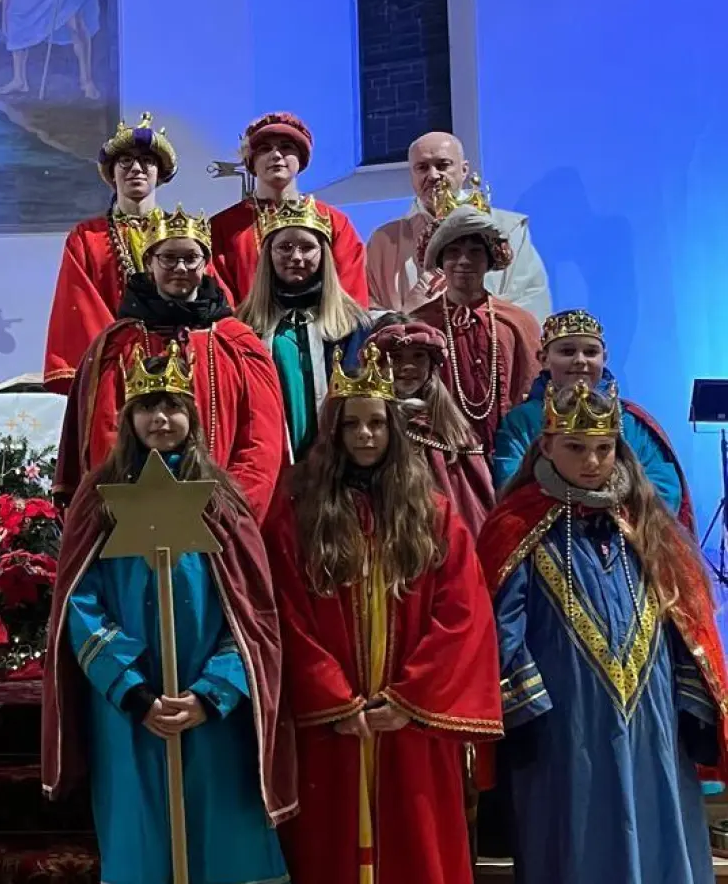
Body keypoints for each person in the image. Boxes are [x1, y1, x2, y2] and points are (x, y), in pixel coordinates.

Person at [41, 344, 296, 884]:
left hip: (212, 712)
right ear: (128, 418)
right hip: (132, 714)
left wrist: (211, 693)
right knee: (145, 839)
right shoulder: (101, 498)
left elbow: (251, 611)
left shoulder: (222, 498)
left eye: (174, 406)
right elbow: (80, 604)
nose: (161, 419)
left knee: (222, 836)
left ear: (193, 417)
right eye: (147, 407)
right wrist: (135, 693)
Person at [266, 346, 501, 884]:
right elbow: (287, 617)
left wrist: (410, 698)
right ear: (334, 432)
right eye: (352, 425)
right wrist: (334, 699)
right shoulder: (298, 518)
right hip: (333, 729)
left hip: (409, 724)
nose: (366, 436)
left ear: (395, 429)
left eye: (376, 424)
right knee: (331, 850)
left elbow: (463, 614)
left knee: (415, 846)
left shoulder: (433, 514)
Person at [479, 382, 728, 884]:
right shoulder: (516, 526)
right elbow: (500, 630)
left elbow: (685, 621)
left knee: (662, 836)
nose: (592, 461)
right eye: (576, 448)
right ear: (546, 446)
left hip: (653, 721)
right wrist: (525, 718)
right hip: (563, 727)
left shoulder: (645, 523)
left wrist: (693, 707)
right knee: (574, 842)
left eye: (603, 448)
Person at [55, 206, 284, 517]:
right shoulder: (117, 343)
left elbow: (261, 440)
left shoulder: (239, 343)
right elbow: (104, 434)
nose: (180, 267)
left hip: (222, 517)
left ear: (206, 264)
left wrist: (230, 509)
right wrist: (134, 508)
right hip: (136, 516)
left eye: (191, 258)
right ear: (149, 262)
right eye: (168, 258)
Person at [43, 114, 195, 394]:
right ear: (112, 174)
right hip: (115, 371)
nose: (136, 168)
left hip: (180, 368)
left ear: (159, 174)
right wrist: (120, 355)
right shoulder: (87, 238)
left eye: (147, 161)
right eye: (125, 162)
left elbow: (205, 302)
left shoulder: (184, 235)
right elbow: (80, 308)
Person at [492, 308, 689, 520]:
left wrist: (609, 517)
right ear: (544, 359)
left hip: (626, 537)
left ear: (604, 358)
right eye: (567, 352)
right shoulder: (521, 422)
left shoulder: (631, 422)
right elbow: (511, 482)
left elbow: (664, 487)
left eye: (591, 352)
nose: (580, 360)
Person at [236, 196, 380, 462]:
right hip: (271, 463)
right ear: (269, 254)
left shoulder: (353, 325)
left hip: (338, 465)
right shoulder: (245, 327)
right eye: (285, 247)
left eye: (307, 247)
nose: (296, 257)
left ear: (323, 253)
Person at [366, 132, 550, 321]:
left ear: (464, 170)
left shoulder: (508, 230)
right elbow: (365, 313)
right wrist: (407, 316)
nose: (433, 175)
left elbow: (530, 302)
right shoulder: (386, 242)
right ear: (411, 175)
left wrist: (480, 322)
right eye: (422, 168)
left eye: (443, 165)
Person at [411, 206, 541, 452]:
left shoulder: (518, 323)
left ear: (489, 260)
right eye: (453, 252)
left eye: (475, 252)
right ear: (441, 260)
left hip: (506, 453)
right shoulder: (419, 324)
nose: (464, 261)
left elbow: (530, 390)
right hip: (439, 452)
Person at [210, 112, 368, 307]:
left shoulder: (334, 221)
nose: (276, 155)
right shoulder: (224, 227)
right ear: (251, 161)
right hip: (245, 332)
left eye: (286, 147)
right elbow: (220, 295)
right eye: (264, 149)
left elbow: (351, 291)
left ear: (300, 158)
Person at [368, 315, 494, 534]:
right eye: (396, 357)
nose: (408, 366)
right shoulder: (363, 427)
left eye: (418, 356)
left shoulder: (451, 431)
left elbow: (471, 507)